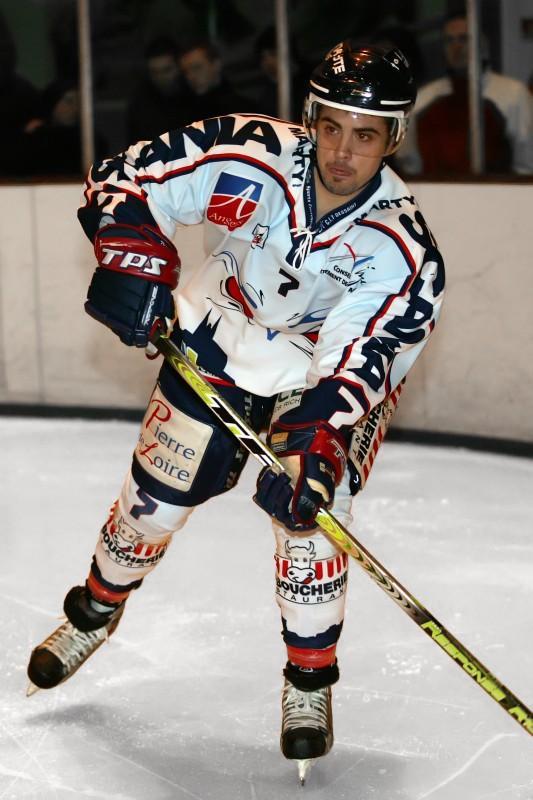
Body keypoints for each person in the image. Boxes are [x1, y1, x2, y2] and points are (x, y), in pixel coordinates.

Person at [27, 41, 445, 779]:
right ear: (310, 117)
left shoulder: (401, 248)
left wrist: (317, 439)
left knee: (311, 523)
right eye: (331, 126)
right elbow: (126, 178)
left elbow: (359, 354)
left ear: (394, 137)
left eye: (366, 135)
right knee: (151, 505)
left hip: (314, 379)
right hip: (215, 340)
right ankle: (93, 610)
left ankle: (308, 683)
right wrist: (133, 253)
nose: (342, 152)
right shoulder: (249, 152)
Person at [396, 12, 533, 176]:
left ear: (482, 44)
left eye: (464, 39)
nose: (456, 47)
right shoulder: (424, 99)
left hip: (500, 189)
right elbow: (409, 161)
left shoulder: (513, 94)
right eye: (449, 40)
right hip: (436, 189)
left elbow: (526, 160)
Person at [126, 37, 194, 143]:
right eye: (155, 72)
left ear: (180, 66)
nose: (161, 77)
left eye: (166, 70)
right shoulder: (141, 102)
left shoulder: (195, 93)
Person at [178, 39, 256, 120]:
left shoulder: (243, 110)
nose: (191, 76)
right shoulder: (184, 113)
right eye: (186, 72)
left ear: (216, 65)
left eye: (197, 68)